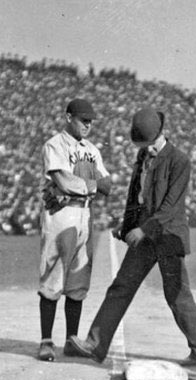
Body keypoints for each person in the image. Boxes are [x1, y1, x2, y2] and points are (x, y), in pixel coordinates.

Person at [67, 107, 196, 365]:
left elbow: (170, 207)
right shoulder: (142, 156)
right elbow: (135, 198)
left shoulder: (180, 160)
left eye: (148, 144)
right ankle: (95, 345)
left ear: (160, 134)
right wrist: (126, 227)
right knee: (121, 287)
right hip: (145, 236)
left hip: (168, 236)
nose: (145, 148)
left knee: (177, 295)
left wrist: (144, 229)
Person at [38, 98, 112, 361]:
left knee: (79, 279)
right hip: (61, 213)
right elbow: (63, 181)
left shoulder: (92, 149)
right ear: (69, 117)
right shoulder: (54, 145)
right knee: (53, 276)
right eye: (83, 120)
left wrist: (87, 186)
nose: (88, 125)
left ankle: (71, 340)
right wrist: (92, 185)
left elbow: (107, 183)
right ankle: (46, 341)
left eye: (90, 121)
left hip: (85, 214)